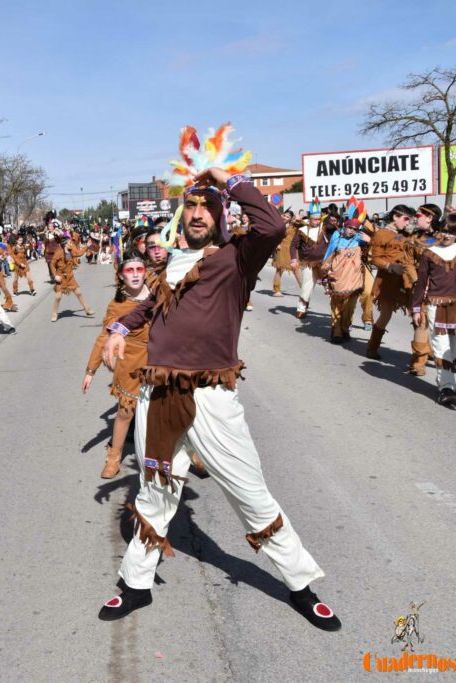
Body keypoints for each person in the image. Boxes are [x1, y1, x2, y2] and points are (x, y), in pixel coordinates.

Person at [98, 159, 339, 631]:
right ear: (180, 217)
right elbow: (150, 306)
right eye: (190, 207)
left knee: (250, 493)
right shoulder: (169, 265)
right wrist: (117, 327)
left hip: (211, 397)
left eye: (207, 208)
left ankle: (301, 587)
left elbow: (271, 223)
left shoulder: (236, 259)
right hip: (158, 394)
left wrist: (228, 181)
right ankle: (135, 585)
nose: (197, 214)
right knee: (155, 495)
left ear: (221, 217)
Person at [82, 254, 152, 479]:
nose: (134, 274)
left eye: (139, 270)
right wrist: (90, 370)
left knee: (171, 410)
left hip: (159, 361)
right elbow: (104, 338)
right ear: (121, 276)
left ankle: (193, 452)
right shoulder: (117, 305)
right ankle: (113, 457)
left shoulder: (160, 296)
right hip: (130, 363)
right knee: (125, 412)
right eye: (129, 270)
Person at [411, 212, 456, 406]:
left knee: (453, 345)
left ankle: (445, 380)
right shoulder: (429, 253)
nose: (446, 235)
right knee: (440, 344)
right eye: (444, 231)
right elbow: (421, 284)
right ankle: (447, 386)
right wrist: (416, 308)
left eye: (451, 232)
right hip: (435, 304)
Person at [365, 205, 415, 360]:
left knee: (418, 314)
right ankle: (372, 347)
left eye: (410, 220)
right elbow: (375, 258)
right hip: (388, 280)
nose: (408, 223)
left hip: (408, 280)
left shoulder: (405, 234)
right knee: (386, 315)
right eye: (405, 219)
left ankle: (423, 350)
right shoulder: (381, 234)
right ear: (395, 217)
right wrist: (390, 266)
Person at [321, 213, 368, 343]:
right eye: (350, 228)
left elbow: (376, 241)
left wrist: (369, 237)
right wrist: (325, 273)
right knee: (336, 303)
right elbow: (328, 255)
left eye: (355, 229)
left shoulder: (360, 239)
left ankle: (345, 328)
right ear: (345, 226)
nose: (352, 230)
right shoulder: (336, 238)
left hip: (354, 277)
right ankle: (336, 331)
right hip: (338, 276)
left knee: (350, 306)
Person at [289, 201, 335, 319]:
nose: (317, 221)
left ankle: (336, 310)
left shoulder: (325, 228)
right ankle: (302, 308)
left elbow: (334, 224)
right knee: (306, 286)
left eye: (319, 219)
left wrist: (331, 215)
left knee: (330, 287)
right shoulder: (302, 230)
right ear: (310, 219)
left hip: (324, 264)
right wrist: (294, 259)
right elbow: (293, 245)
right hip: (308, 263)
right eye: (314, 219)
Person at [49, 233, 95, 321]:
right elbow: (52, 264)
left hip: (70, 277)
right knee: (58, 297)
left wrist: (87, 246)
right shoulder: (58, 253)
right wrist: (55, 276)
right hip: (61, 277)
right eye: (70, 243)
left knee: (79, 293)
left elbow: (79, 253)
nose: (71, 244)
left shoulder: (71, 252)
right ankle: (54, 314)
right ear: (65, 244)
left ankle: (87, 310)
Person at [271, 210, 302, 296]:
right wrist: (276, 243)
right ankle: (276, 290)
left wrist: (298, 219)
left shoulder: (294, 225)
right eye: (285, 215)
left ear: (291, 218)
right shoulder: (277, 224)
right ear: (282, 215)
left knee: (296, 269)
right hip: (281, 249)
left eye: (288, 217)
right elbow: (272, 234)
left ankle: (304, 289)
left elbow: (303, 225)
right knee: (280, 269)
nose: (286, 218)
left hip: (291, 249)